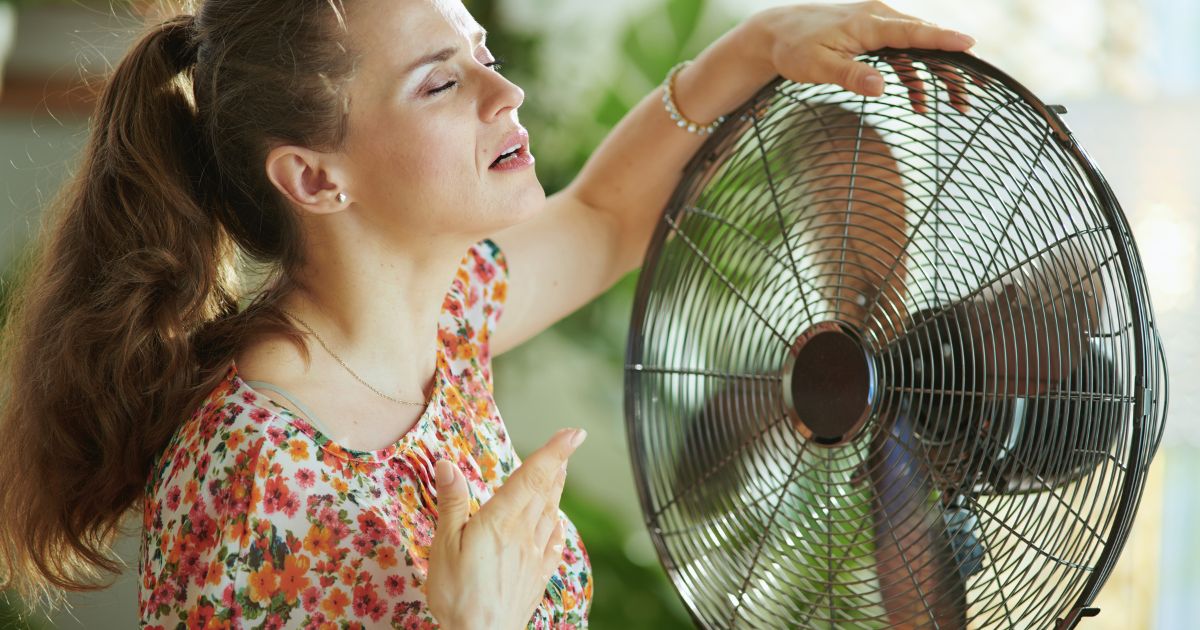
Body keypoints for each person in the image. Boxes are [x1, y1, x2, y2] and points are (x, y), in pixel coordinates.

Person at [0, 0, 976, 626]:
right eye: (442, 82)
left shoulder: (444, 316)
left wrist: (765, 42)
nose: (505, 92)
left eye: (483, 55)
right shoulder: (256, 478)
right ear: (315, 177)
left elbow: (604, 216)